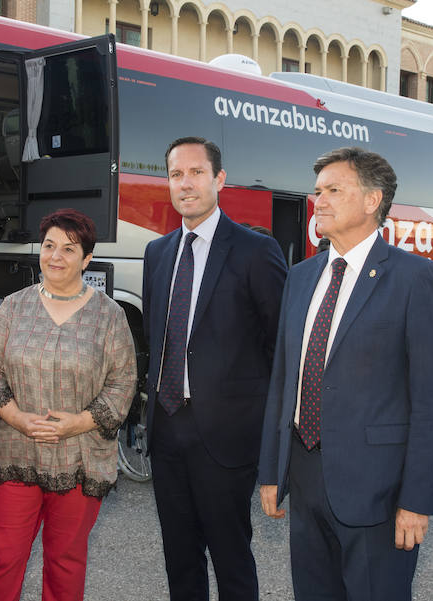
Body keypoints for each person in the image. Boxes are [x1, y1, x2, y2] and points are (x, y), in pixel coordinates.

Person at [258, 147, 433, 601]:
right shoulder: (301, 277)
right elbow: (283, 381)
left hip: (379, 493)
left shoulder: (414, 278)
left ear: (372, 201)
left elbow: (432, 401)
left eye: (333, 190)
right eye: (317, 191)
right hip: (306, 479)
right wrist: (272, 470)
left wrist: (416, 501)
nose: (318, 201)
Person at [142, 136, 287, 601]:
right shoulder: (157, 253)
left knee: (231, 559)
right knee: (179, 559)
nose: (185, 184)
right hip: (166, 431)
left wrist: (270, 438)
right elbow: (156, 338)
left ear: (219, 179)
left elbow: (279, 347)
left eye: (196, 173)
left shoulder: (253, 251)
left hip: (226, 440)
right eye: (175, 174)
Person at [0, 208, 136, 601]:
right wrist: (16, 417)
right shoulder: (13, 307)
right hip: (19, 452)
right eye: (49, 246)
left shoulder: (109, 316)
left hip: (79, 460)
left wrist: (77, 423)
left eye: (69, 248)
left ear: (86, 260)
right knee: (3, 558)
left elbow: (123, 383)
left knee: (65, 561)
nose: (56, 256)